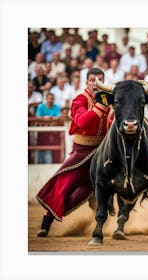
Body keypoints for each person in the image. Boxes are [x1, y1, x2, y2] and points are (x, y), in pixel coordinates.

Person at [36, 67, 114, 237]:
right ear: (87, 82)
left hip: (103, 152)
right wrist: (100, 107)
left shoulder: (110, 101)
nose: (96, 83)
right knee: (64, 187)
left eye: (100, 80)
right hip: (82, 153)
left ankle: (115, 220)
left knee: (112, 181)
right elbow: (81, 121)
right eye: (93, 80)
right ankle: (46, 223)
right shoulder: (79, 99)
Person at [35, 92, 62, 164]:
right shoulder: (41, 106)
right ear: (46, 99)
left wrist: (46, 120)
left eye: (52, 98)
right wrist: (47, 119)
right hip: (41, 132)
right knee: (40, 148)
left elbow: (59, 118)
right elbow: (37, 118)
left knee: (51, 149)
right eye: (49, 98)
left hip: (52, 133)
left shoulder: (56, 107)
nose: (50, 100)